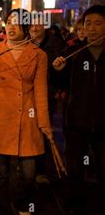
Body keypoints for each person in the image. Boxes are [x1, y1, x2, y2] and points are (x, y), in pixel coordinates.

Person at [0, 9, 52, 215]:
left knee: (29, 172)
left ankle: (22, 204)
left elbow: (40, 91)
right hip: (3, 114)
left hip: (28, 116)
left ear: (27, 27)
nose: (11, 27)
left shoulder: (38, 55)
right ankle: (1, 210)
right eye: (9, 22)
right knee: (1, 171)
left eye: (17, 24)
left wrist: (45, 124)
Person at [52, 5, 105, 215]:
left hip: (104, 125)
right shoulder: (74, 53)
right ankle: (75, 207)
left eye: (98, 23)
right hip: (76, 123)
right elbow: (58, 85)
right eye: (88, 23)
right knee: (75, 169)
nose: (91, 28)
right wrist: (57, 70)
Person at [29, 18, 66, 184]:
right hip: (27, 95)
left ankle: (40, 170)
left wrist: (59, 75)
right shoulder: (23, 43)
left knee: (44, 130)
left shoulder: (56, 45)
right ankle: (25, 165)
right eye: (31, 24)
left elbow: (64, 72)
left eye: (38, 24)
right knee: (28, 130)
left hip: (46, 94)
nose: (35, 27)